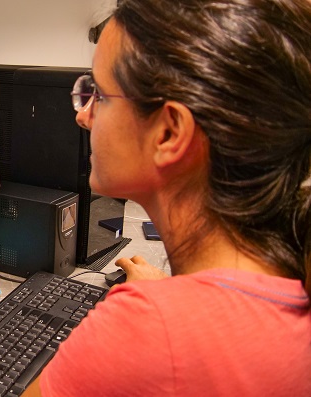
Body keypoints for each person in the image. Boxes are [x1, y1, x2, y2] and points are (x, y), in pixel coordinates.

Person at [24, 0, 311, 395]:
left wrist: (151, 314)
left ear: (169, 133)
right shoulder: (290, 267)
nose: (82, 116)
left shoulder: (145, 331)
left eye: (100, 95)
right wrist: (174, 295)